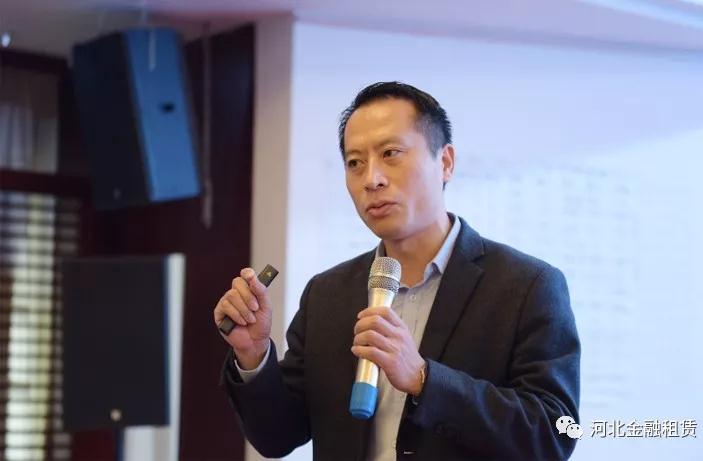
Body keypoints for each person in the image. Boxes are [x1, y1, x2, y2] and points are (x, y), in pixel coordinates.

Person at [214, 82, 581, 461]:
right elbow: (278, 436)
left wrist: (424, 379)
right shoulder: (327, 293)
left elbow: (554, 434)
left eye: (391, 154)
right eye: (355, 163)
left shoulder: (526, 286)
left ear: (446, 162)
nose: (371, 179)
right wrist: (254, 356)